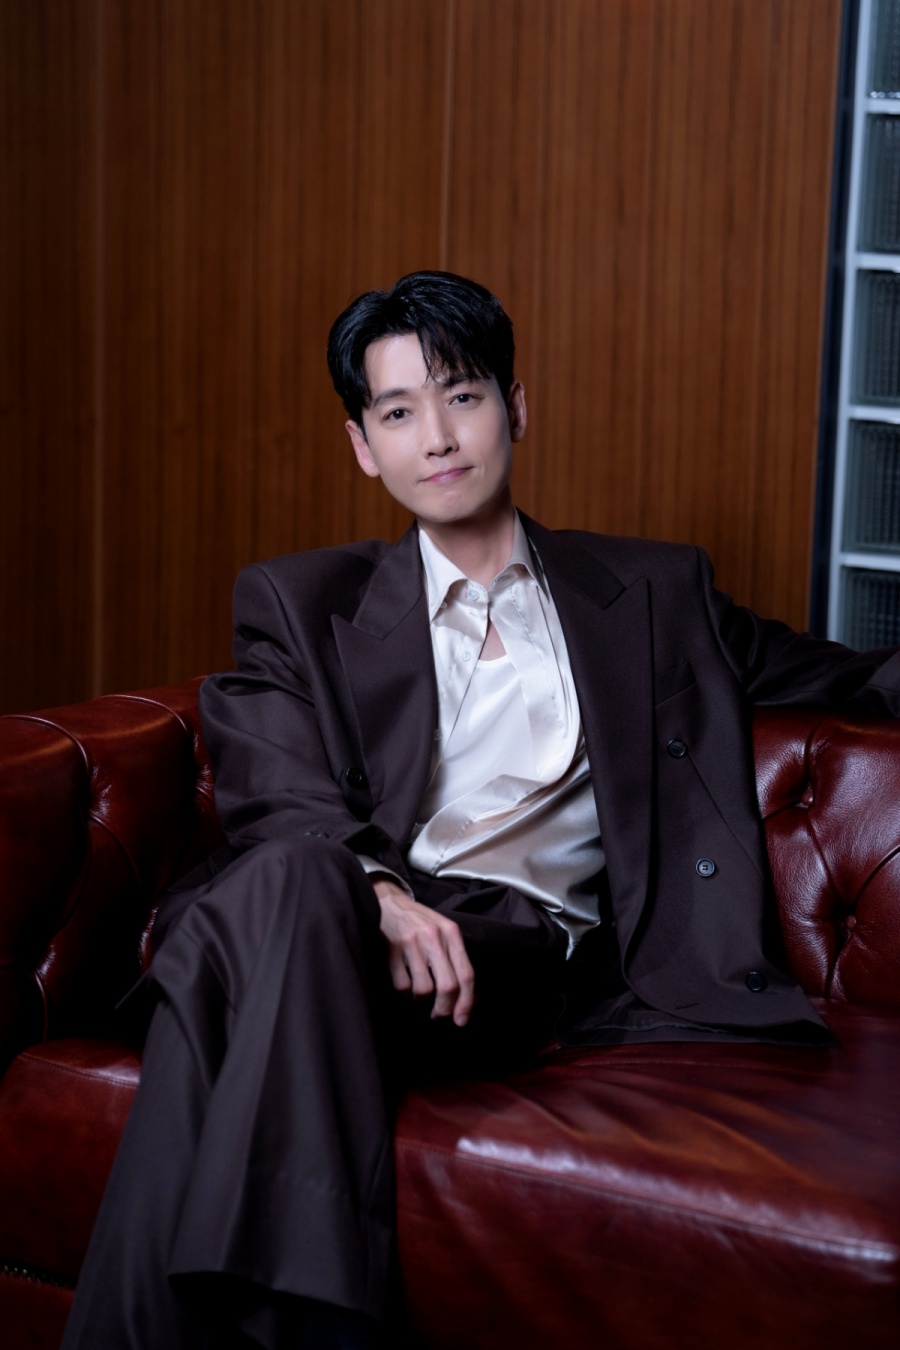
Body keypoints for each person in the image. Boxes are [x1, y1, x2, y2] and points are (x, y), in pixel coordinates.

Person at [61, 271, 900, 1350]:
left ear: (516, 406)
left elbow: (851, 678)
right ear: (364, 446)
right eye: (398, 412)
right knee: (299, 876)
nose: (438, 437)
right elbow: (276, 785)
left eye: (461, 396)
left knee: (245, 938)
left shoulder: (652, 592)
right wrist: (380, 893)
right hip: (336, 918)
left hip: (501, 957)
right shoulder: (300, 601)